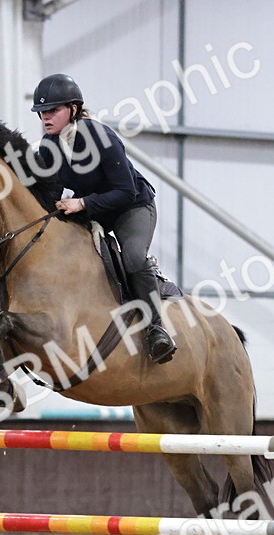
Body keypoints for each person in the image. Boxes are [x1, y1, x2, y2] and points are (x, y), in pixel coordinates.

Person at [30, 73, 177, 364]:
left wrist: (82, 202)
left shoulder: (100, 136)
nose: (46, 118)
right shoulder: (49, 145)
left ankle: (156, 329)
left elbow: (125, 190)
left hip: (131, 207)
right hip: (91, 210)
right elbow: (50, 195)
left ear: (73, 109)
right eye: (42, 113)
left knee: (133, 257)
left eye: (53, 111)